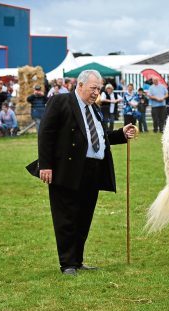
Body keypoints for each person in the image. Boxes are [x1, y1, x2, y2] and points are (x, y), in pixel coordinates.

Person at [26, 70, 137, 276]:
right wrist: (46, 165)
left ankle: (77, 260)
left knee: (83, 217)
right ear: (80, 85)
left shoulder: (94, 110)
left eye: (99, 89)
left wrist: (121, 134)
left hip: (92, 171)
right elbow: (46, 133)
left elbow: (100, 137)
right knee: (66, 217)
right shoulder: (61, 101)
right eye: (93, 88)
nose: (97, 92)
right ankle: (67, 263)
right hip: (66, 170)